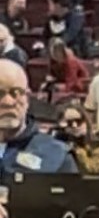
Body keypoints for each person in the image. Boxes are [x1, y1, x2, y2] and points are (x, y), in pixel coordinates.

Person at [0, 61, 75, 206]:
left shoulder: (56, 155)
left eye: (16, 93)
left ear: (27, 99)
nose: (8, 102)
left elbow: (74, 212)